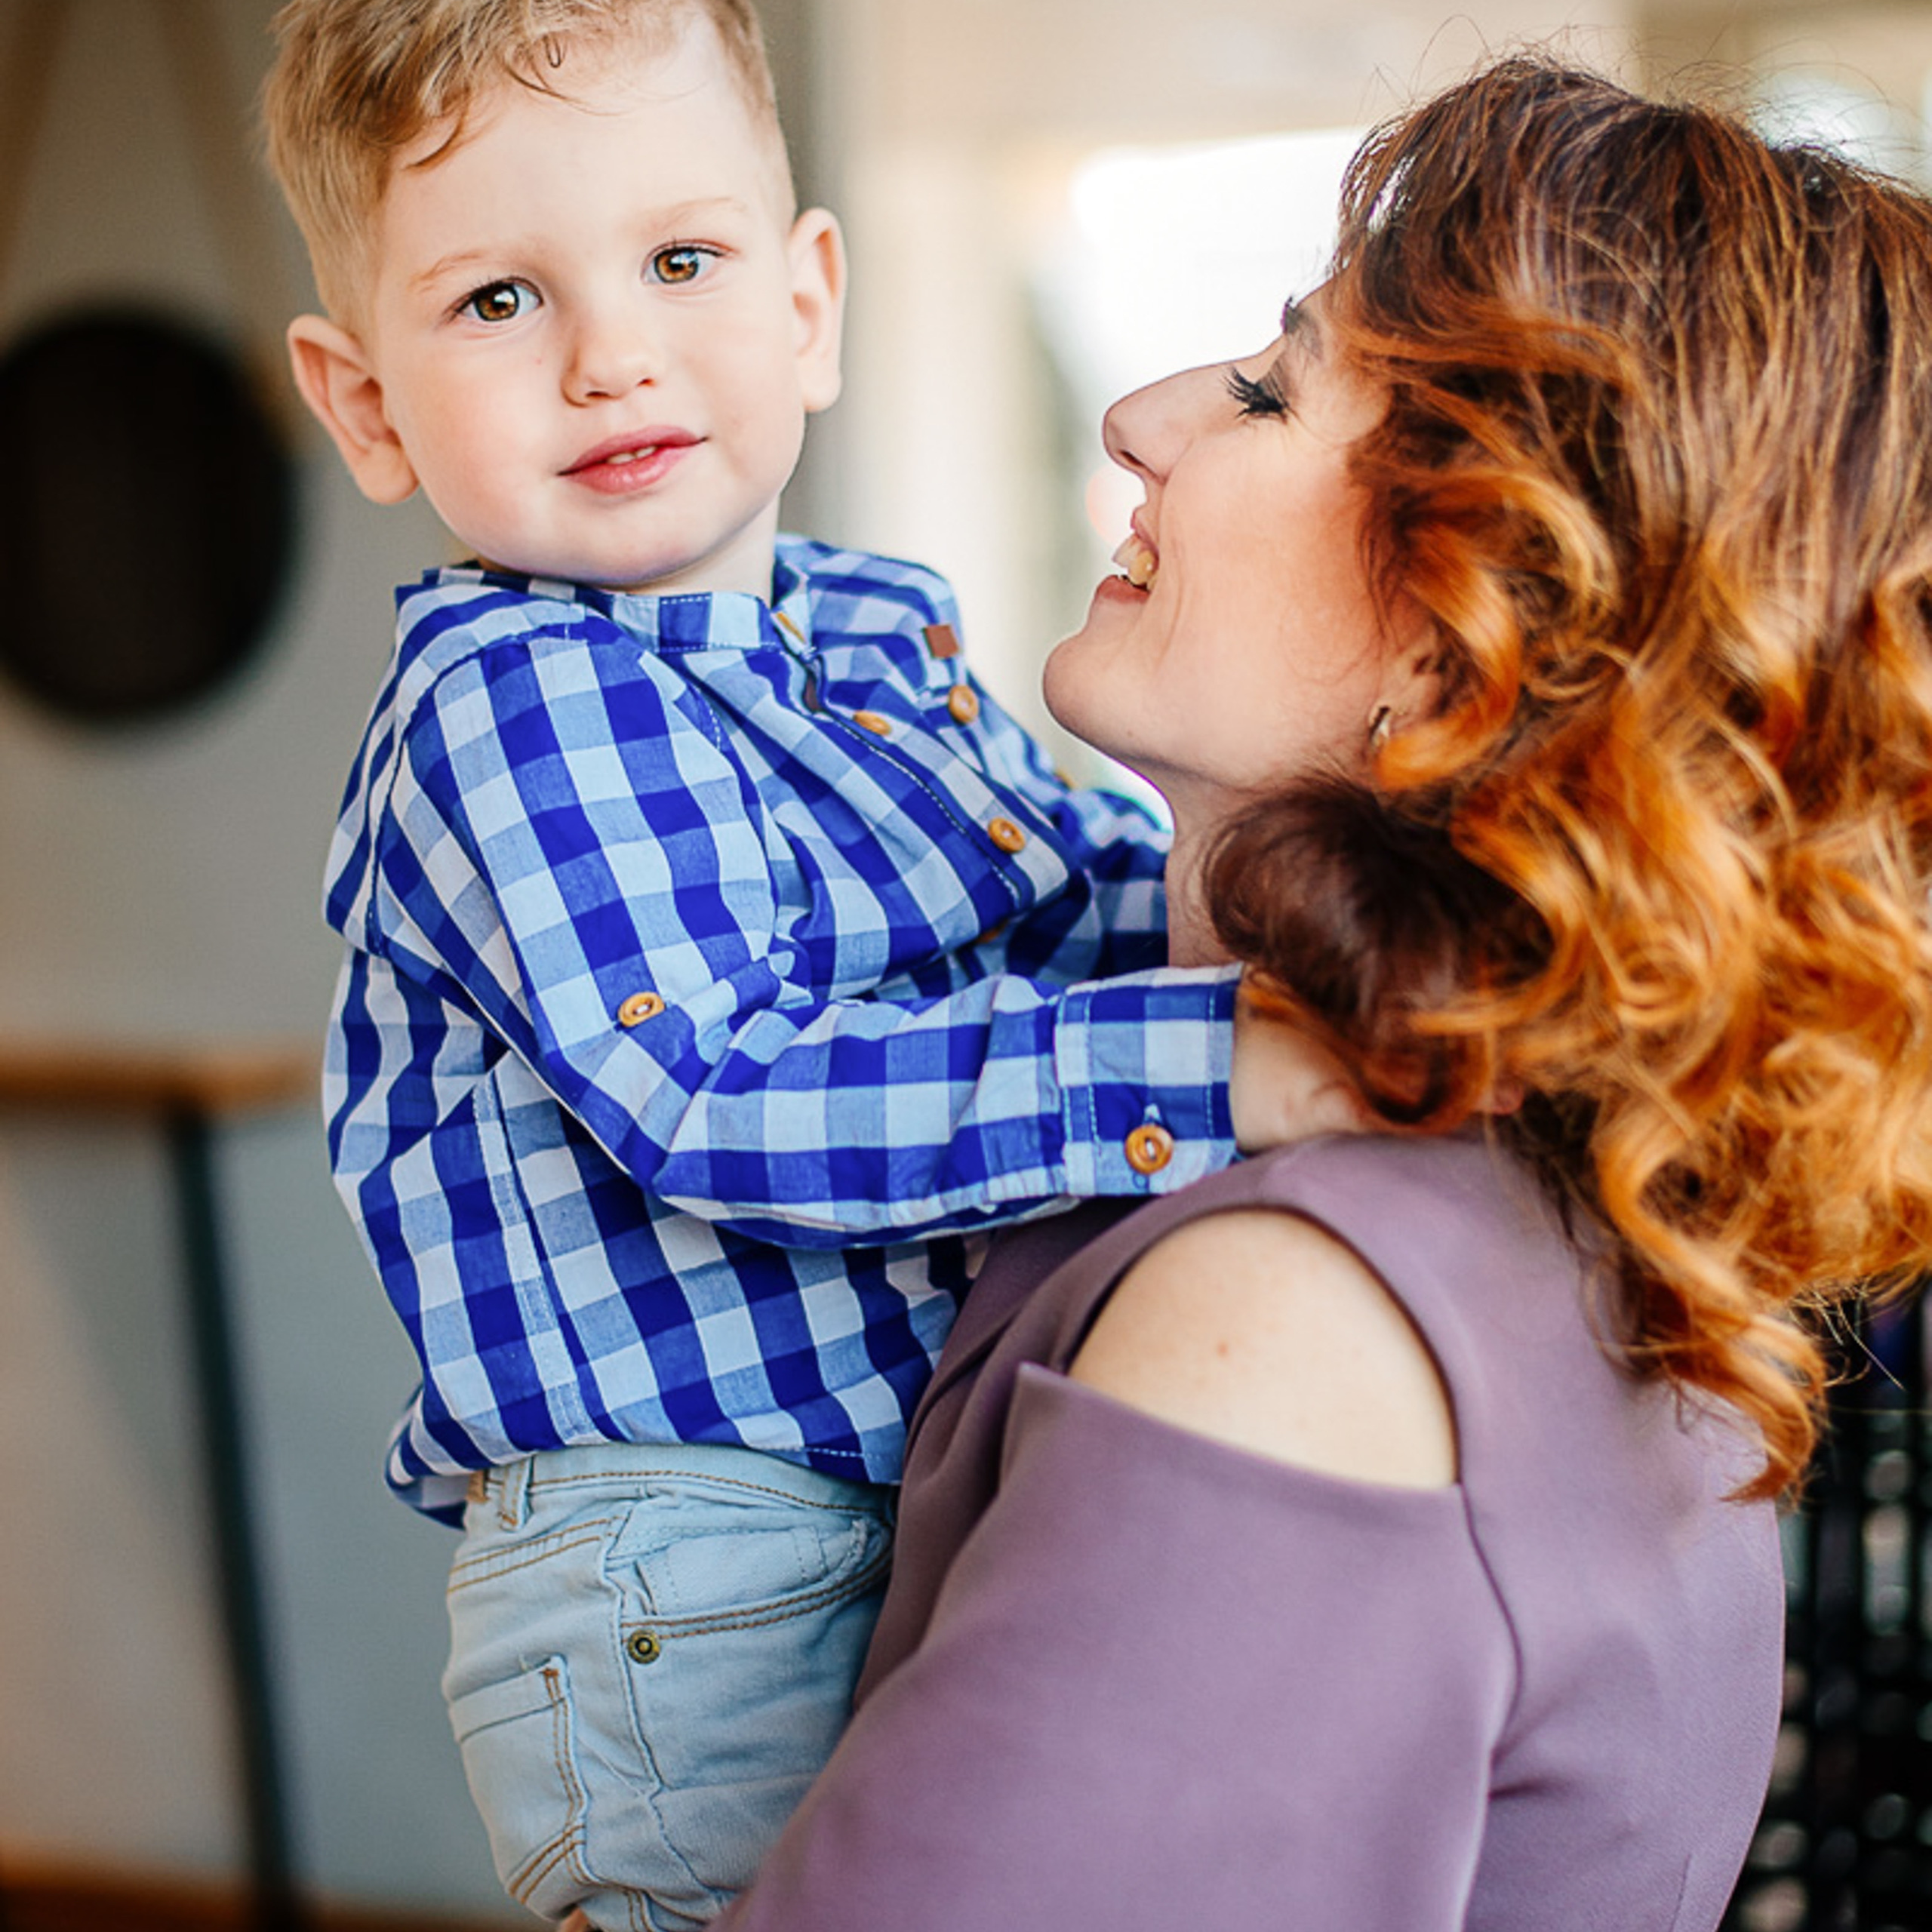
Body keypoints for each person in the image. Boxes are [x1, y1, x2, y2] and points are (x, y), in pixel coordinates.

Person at [704, 57, 1932, 1931]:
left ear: (1468, 637)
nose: (1136, 416)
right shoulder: (1593, 1214)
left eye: (1271, 390)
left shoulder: (1295, 1324)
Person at [260, 3, 1340, 1927]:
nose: (610, 354)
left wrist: (1340, 936)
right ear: (367, 409)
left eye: (680, 261)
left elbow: (1074, 902)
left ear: (807, 302)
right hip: (693, 1562)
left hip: (871, 1488)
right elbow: (718, 1088)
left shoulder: (873, 633)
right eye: (498, 299)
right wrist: (1215, 1063)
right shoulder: (508, 701)